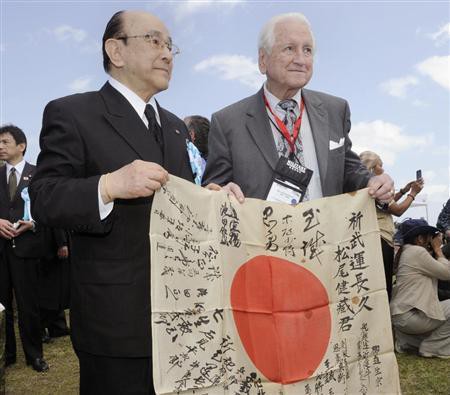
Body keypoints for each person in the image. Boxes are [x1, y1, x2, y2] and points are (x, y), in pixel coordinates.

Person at [29, 10, 193, 394]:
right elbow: (44, 197)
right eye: (154, 40)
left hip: (182, 317)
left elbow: (180, 199)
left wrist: (210, 199)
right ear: (115, 51)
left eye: (171, 45)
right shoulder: (72, 113)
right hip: (116, 324)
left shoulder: (173, 126)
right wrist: (107, 186)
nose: (167, 54)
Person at [202, 13, 393, 203]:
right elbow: (213, 189)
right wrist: (219, 192)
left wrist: (372, 181)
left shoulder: (336, 110)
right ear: (263, 60)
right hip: (259, 233)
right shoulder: (227, 122)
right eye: (289, 49)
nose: (301, 60)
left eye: (307, 50)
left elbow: (348, 170)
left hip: (326, 232)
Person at [0, 124, 49, 372]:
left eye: (5, 142)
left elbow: (47, 207)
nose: (0, 147)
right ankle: (6, 355)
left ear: (21, 146)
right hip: (1, 250)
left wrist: (33, 222)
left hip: (27, 248)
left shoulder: (38, 174)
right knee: (2, 305)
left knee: (29, 304)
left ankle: (35, 355)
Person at [359, 150, 423, 299]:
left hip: (371, 238)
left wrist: (403, 191)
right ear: (373, 168)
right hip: (382, 239)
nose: (383, 169)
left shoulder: (365, 187)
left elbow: (386, 204)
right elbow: (398, 210)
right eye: (380, 165)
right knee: (385, 285)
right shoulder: (377, 188)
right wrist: (413, 193)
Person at [390, 219, 450, 359]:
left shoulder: (407, 251)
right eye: (430, 236)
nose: (433, 240)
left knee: (437, 316)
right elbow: (447, 273)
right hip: (410, 316)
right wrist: (437, 250)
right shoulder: (416, 252)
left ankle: (407, 342)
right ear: (420, 238)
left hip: (402, 316)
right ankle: (432, 348)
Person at [39, 228, 70, 343]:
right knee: (52, 287)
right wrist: (61, 242)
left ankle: (57, 326)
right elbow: (54, 215)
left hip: (53, 238)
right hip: (49, 242)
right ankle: (39, 327)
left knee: (59, 285)